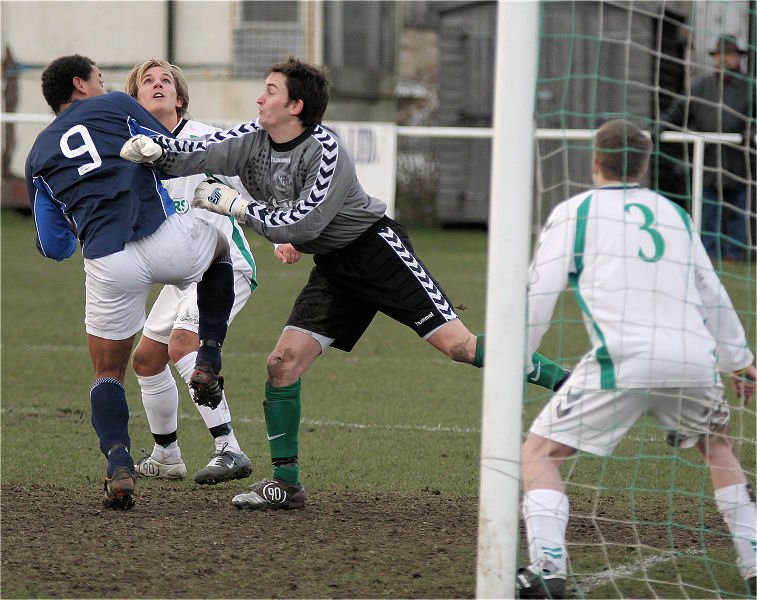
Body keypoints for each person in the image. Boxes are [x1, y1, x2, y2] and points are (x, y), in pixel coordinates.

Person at [120, 56, 569, 510]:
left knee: (460, 347)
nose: (259, 97)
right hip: (333, 268)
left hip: (376, 252)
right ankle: (286, 484)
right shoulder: (251, 140)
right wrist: (156, 152)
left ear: (295, 105)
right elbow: (202, 149)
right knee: (282, 363)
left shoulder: (326, 150)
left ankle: (571, 383)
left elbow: (300, 226)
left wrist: (235, 205)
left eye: (270, 91)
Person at [518, 119, 756, 598]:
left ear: (594, 161)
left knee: (539, 454)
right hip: (694, 357)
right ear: (646, 164)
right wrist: (739, 358)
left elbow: (538, 294)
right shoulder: (672, 212)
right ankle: (754, 562)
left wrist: (516, 357)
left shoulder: (575, 211)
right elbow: (709, 290)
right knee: (719, 449)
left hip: (623, 359)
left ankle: (548, 568)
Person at [25, 54, 235, 510]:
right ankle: (209, 358)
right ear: (80, 85)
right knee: (220, 247)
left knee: (107, 375)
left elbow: (55, 247)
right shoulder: (117, 104)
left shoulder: (38, 155)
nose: (105, 85)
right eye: (99, 79)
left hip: (107, 259)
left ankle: (119, 466)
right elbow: (168, 151)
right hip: (161, 234)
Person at [123, 58, 276, 484]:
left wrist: (281, 236)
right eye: (147, 82)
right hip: (181, 271)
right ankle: (167, 454)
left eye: (166, 81)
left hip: (224, 264)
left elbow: (247, 190)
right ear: (135, 98)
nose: (157, 86)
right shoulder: (134, 149)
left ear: (180, 96)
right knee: (147, 360)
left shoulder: (204, 139)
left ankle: (229, 449)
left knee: (182, 345)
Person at [661, 34, 753, 263]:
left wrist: (750, 132)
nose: (725, 60)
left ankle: (734, 255)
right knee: (708, 211)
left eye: (730, 55)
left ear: (738, 58)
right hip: (708, 161)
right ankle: (709, 253)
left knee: (738, 212)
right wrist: (659, 127)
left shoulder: (751, 87)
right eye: (721, 56)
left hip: (741, 161)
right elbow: (678, 111)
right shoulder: (701, 86)